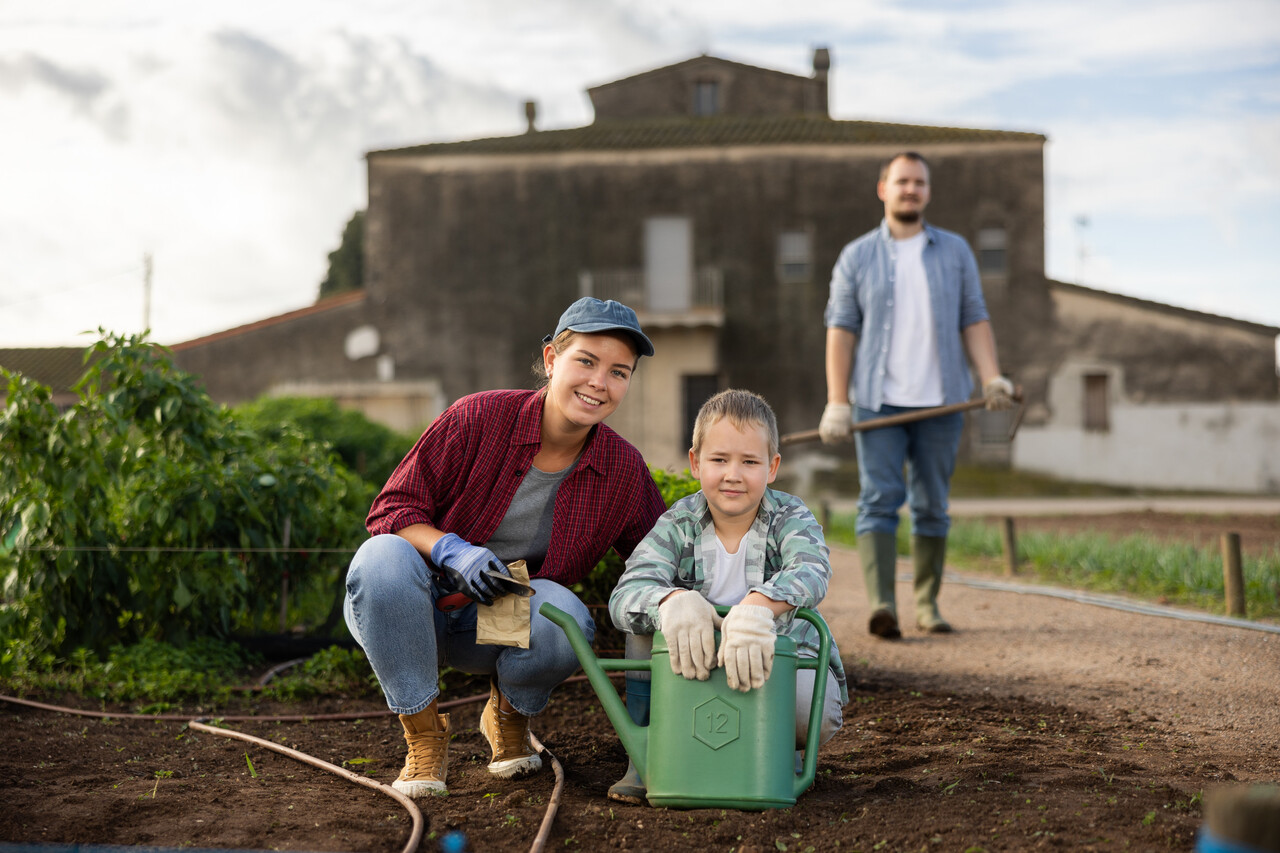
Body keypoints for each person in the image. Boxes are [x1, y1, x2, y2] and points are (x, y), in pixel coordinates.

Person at [344, 298, 667, 798]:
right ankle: (424, 737)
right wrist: (452, 550)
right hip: (417, 608)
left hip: (496, 623)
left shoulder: (621, 470)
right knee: (380, 560)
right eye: (586, 361)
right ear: (552, 359)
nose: (599, 383)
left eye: (619, 372)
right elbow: (391, 509)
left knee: (565, 618)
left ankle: (507, 715)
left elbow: (659, 560)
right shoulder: (478, 418)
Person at [608, 389, 847, 804]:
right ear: (695, 462)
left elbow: (813, 570)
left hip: (769, 657)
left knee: (815, 714)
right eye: (719, 460)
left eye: (749, 462)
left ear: (772, 467)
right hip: (691, 658)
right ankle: (645, 756)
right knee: (644, 625)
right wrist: (671, 603)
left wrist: (758, 609)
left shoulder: (790, 517)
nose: (733, 474)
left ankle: (775, 748)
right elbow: (628, 590)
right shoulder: (678, 523)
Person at [819, 151, 1015, 639]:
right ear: (882, 188)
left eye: (919, 182)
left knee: (932, 504)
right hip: (877, 402)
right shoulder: (857, 255)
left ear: (927, 192)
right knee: (878, 499)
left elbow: (974, 316)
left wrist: (991, 378)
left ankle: (927, 605)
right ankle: (883, 605)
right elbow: (841, 329)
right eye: (902, 181)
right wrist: (837, 401)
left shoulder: (955, 252)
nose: (911, 189)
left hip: (943, 401)